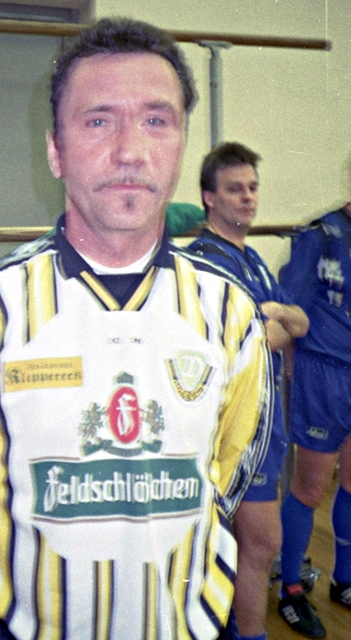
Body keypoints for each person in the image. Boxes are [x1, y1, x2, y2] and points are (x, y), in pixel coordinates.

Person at [0, 19, 273, 640]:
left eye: (156, 120)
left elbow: (227, 474)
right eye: (98, 121)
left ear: (181, 143)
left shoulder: (232, 314)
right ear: (55, 150)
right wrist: (36, 571)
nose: (130, 150)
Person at [188, 142, 309, 640]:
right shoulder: (204, 261)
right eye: (235, 189)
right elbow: (245, 343)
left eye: (253, 188)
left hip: (266, 422)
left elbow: (299, 324)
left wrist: (275, 314)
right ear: (209, 197)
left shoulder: (252, 258)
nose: (248, 198)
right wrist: (275, 324)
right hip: (234, 428)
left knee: (249, 549)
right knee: (260, 544)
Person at [278, 195, 351, 638]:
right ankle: (290, 588)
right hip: (324, 372)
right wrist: (293, 362)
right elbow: (288, 304)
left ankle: (344, 580)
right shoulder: (320, 235)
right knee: (310, 488)